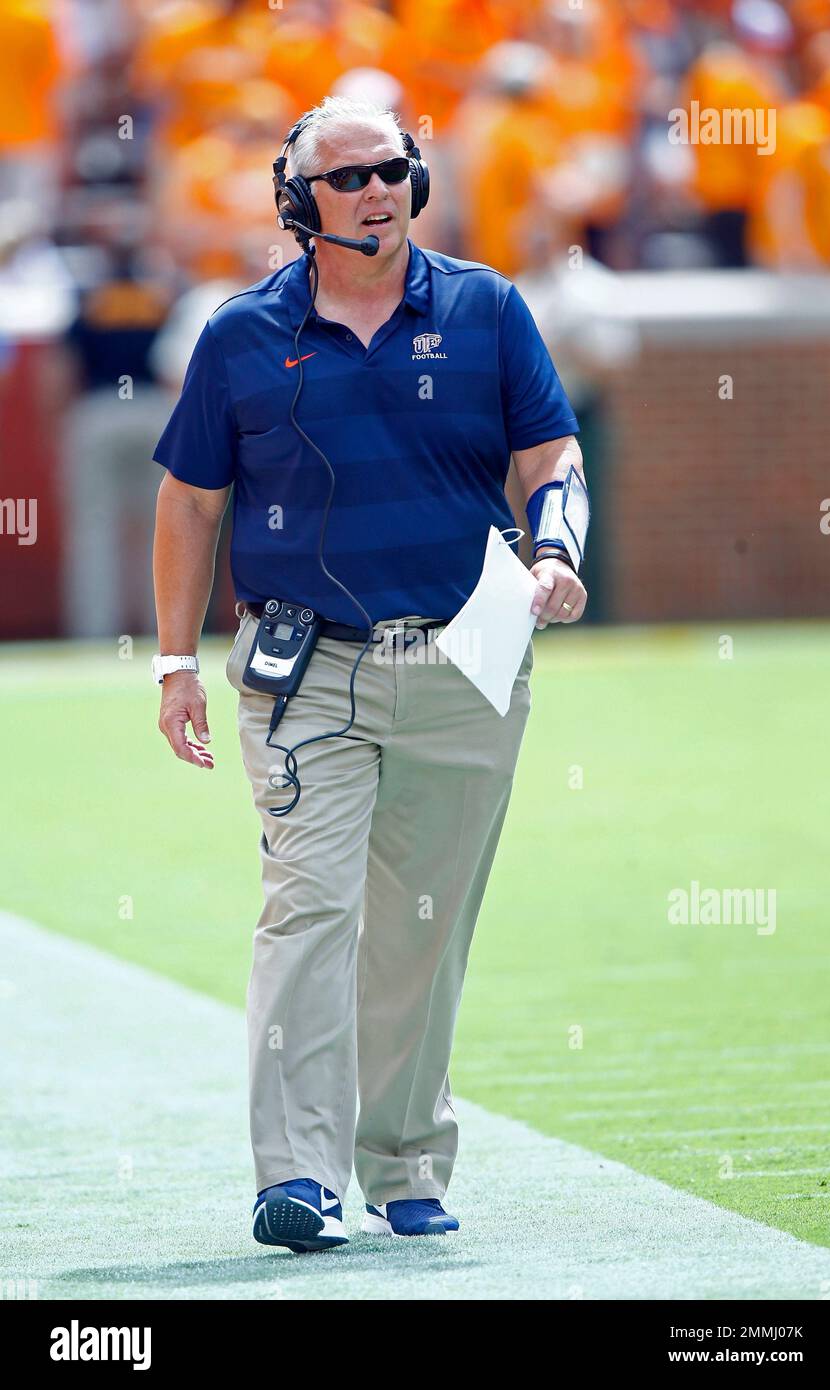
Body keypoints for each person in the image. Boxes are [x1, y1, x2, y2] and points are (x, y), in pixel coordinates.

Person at [151, 94, 587, 1251]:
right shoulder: (240, 335)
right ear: (299, 202)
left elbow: (550, 449)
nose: (375, 191)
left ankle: (402, 1159)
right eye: (347, 177)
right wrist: (170, 662)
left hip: (465, 659)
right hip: (306, 673)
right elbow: (191, 502)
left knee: (420, 930)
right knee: (310, 911)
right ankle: (295, 1171)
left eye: (392, 170)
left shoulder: (489, 308)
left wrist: (554, 546)